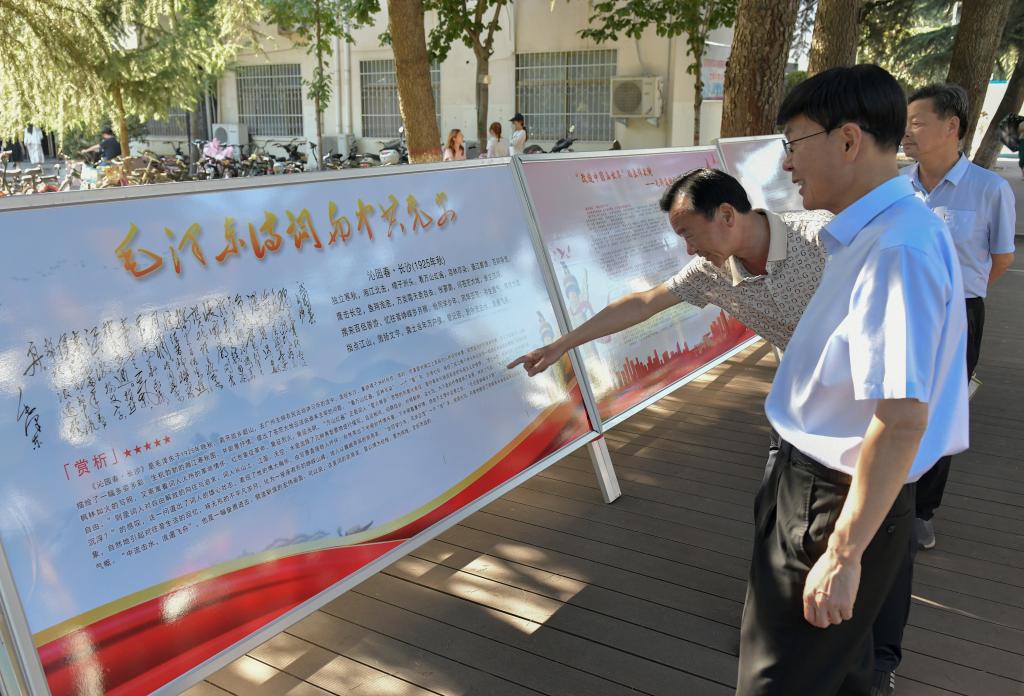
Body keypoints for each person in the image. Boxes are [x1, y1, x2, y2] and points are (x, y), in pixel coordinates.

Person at [733, 64, 968, 696]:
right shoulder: (879, 233)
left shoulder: (896, 248)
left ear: (847, 140)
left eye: (794, 142)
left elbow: (901, 418)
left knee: (780, 681)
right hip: (829, 492)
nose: (788, 163)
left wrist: (842, 552)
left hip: (832, 498)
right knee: (839, 675)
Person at [507, 167, 829, 371]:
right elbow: (643, 303)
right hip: (808, 394)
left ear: (726, 215)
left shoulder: (824, 238)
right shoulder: (709, 272)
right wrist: (559, 346)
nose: (689, 249)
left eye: (689, 233)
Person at [901, 83, 1016, 551]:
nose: (906, 132)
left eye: (917, 122)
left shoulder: (990, 189)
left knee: (941, 412)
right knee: (892, 403)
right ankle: (888, 500)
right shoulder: (896, 187)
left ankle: (921, 511)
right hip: (899, 311)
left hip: (959, 314)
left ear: (952, 126)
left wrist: (957, 299)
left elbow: (1001, 258)